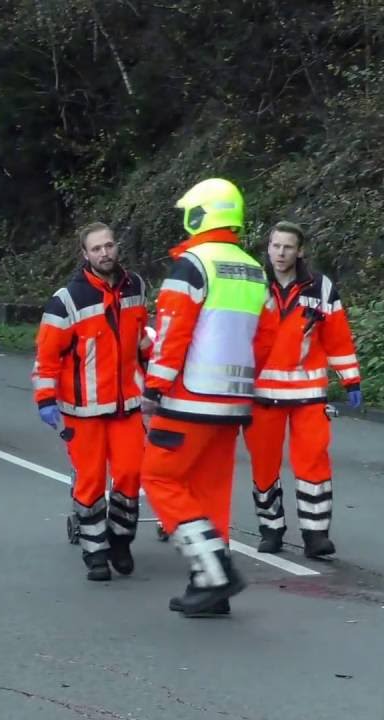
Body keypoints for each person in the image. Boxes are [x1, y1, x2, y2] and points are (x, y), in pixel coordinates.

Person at [140, 177, 267, 617]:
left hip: (189, 398)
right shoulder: (254, 268)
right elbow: (265, 339)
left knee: (159, 478)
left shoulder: (193, 265)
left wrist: (154, 386)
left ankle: (214, 572)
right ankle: (209, 586)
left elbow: (172, 334)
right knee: (210, 490)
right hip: (233, 403)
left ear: (201, 214)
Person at [32, 222, 150, 581]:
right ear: (85, 254)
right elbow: (47, 357)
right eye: (96, 248)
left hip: (127, 405)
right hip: (82, 411)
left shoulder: (137, 287)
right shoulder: (66, 300)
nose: (105, 253)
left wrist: (158, 376)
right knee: (91, 482)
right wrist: (45, 399)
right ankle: (95, 552)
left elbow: (141, 339)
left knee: (131, 475)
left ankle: (120, 540)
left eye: (109, 245)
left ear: (117, 247)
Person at [243, 221, 360, 557]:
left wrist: (350, 378)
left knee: (313, 462)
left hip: (308, 392)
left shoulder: (320, 288)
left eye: (288, 247)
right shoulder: (253, 286)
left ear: (300, 251)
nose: (281, 253)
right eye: (276, 246)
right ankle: (271, 528)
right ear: (267, 248)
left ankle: (315, 534)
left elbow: (337, 336)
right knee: (264, 465)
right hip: (261, 393)